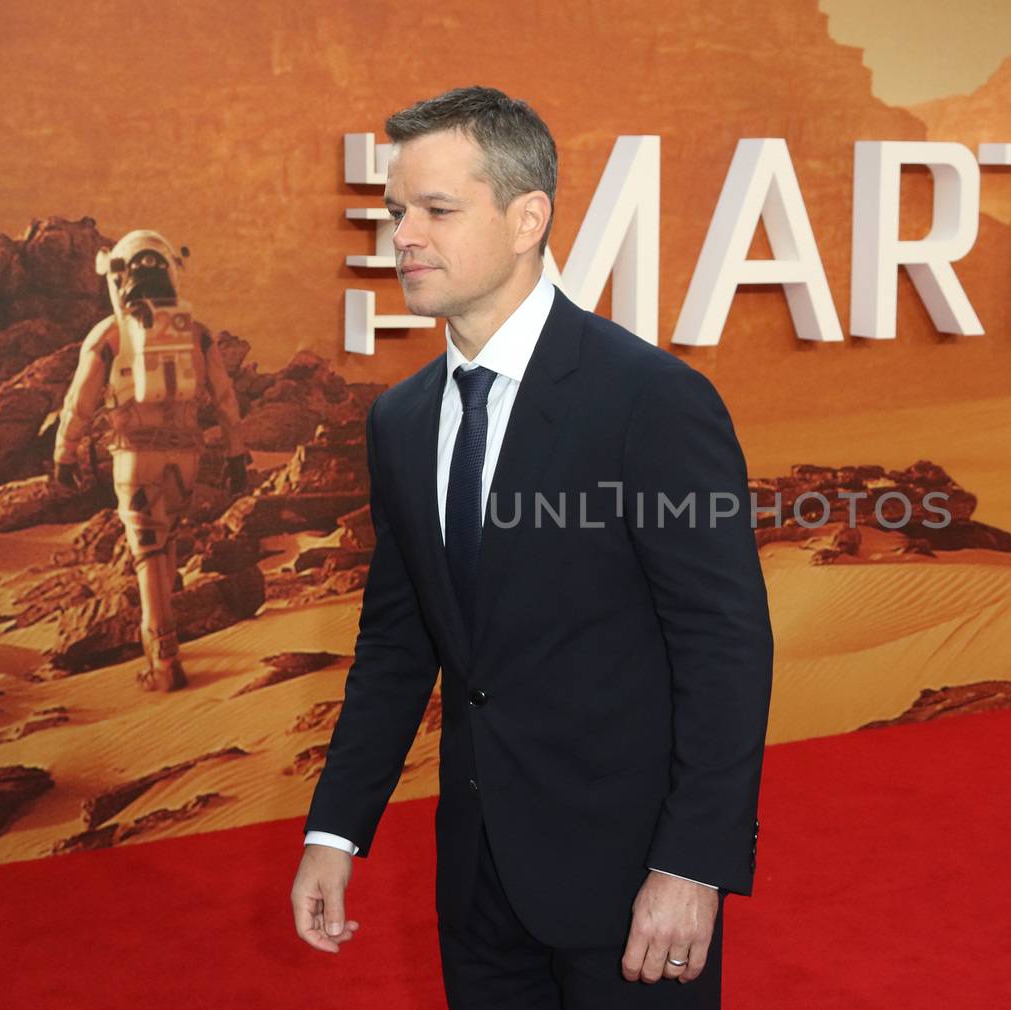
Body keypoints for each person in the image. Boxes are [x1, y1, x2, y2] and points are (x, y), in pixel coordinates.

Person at [288, 86, 773, 1009]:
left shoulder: (649, 400)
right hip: (476, 883)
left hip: (633, 886)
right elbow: (398, 648)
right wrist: (336, 832)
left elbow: (725, 646)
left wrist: (694, 866)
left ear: (527, 218)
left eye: (437, 209)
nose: (405, 237)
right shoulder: (399, 421)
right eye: (397, 212)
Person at [50, 228, 250, 690]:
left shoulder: (111, 334)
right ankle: (164, 647)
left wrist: (66, 452)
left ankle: (163, 661)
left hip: (134, 461)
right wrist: (237, 453)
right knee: (167, 547)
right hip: (186, 459)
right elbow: (224, 398)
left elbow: (79, 400)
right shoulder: (196, 335)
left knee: (148, 556)